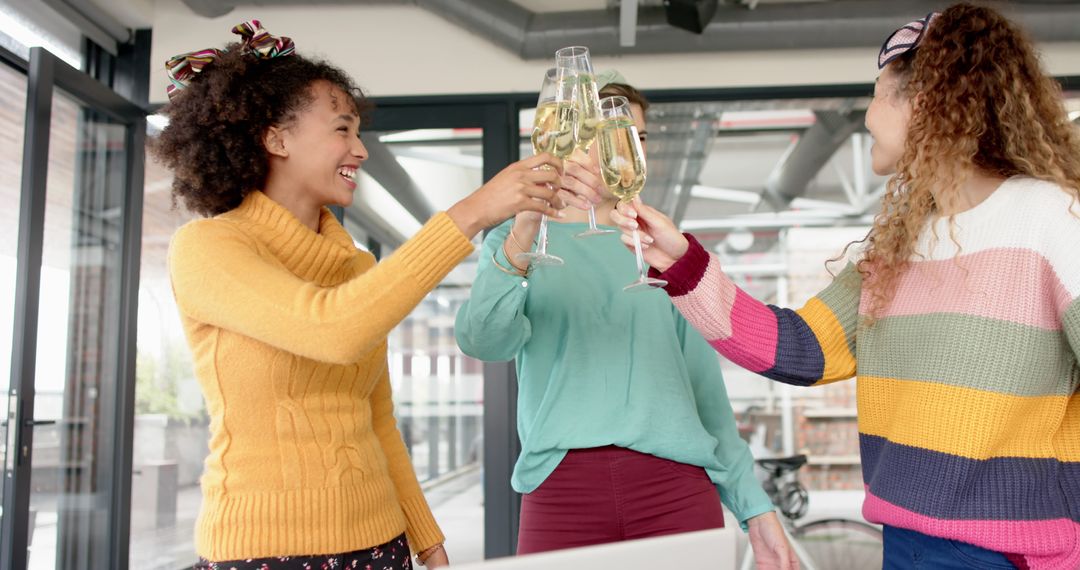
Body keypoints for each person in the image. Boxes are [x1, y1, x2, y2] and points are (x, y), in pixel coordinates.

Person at [612, 4, 1080, 569]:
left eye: (879, 94)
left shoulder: (1053, 220)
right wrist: (680, 261)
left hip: (1012, 555)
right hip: (905, 543)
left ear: (927, 101)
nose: (867, 117)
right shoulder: (894, 250)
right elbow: (797, 346)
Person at [154, 20, 575, 570]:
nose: (360, 150)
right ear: (276, 137)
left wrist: (425, 535)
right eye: (342, 129)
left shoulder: (354, 263)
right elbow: (330, 329)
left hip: (381, 543)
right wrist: (472, 212)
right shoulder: (208, 248)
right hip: (264, 552)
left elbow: (374, 416)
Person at [454, 74, 795, 567]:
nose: (630, 150)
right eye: (614, 135)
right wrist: (528, 222)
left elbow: (706, 395)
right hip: (562, 490)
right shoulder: (514, 241)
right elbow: (484, 341)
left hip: (675, 488)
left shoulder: (665, 247)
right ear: (574, 140)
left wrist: (755, 510)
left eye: (639, 138)